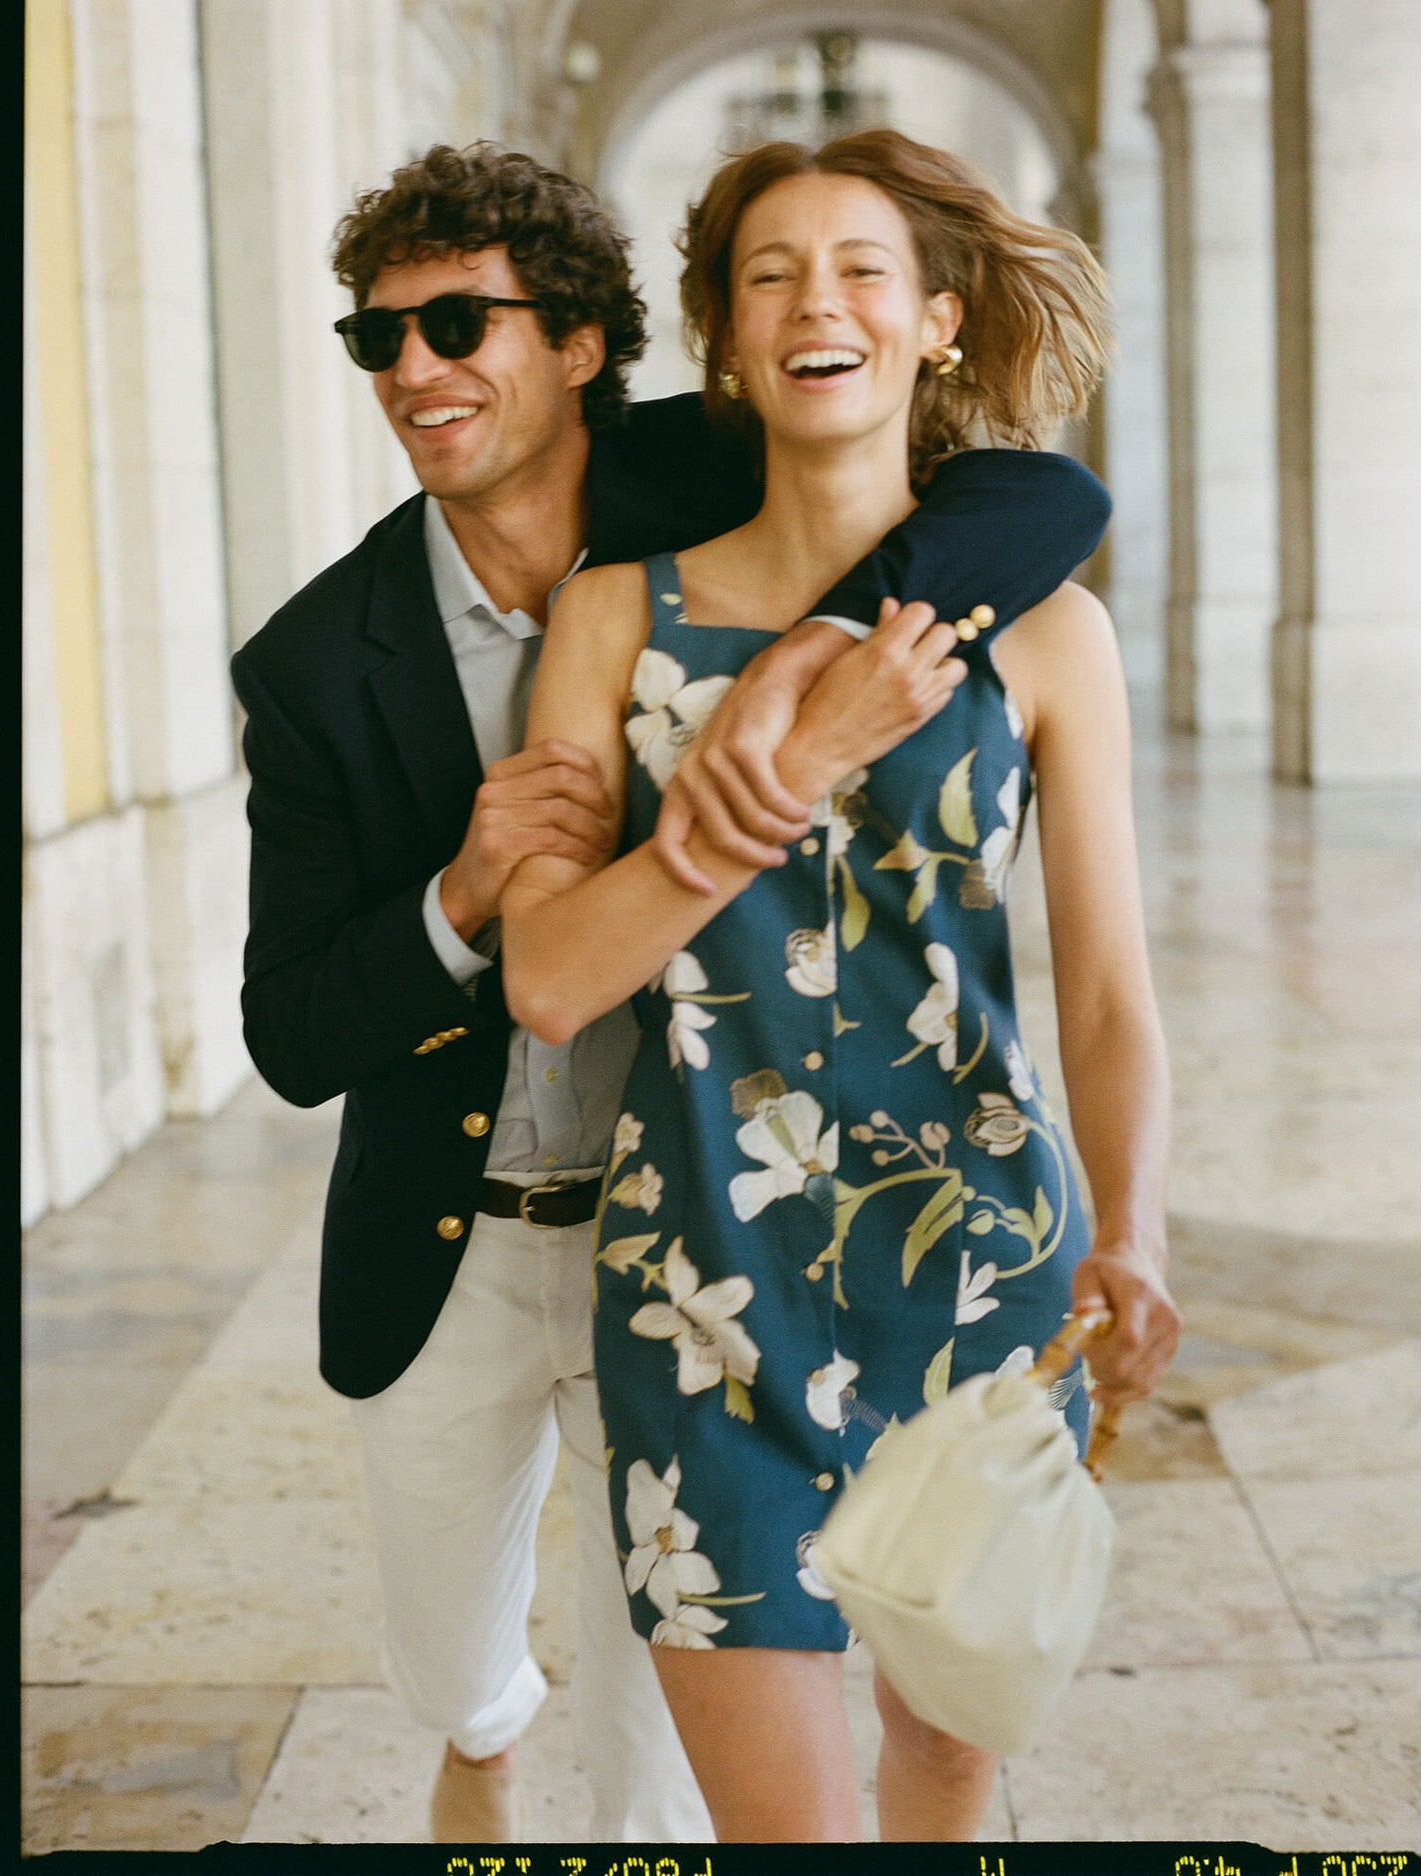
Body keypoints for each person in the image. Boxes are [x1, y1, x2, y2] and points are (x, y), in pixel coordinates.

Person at [231, 141, 1110, 1844]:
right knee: (452, 1656)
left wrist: (817, 658)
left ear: (580, 346)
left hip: (694, 1213)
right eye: (378, 338)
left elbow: (1039, 499)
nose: (414, 369)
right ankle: (483, 1730)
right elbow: (290, 1033)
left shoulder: (705, 477)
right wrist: (461, 892)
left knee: (664, 1762)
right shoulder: (315, 661)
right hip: (460, 1228)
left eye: (458, 324)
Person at [500, 130, 1181, 1844]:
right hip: (703, 1286)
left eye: (864, 269)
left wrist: (1138, 1227)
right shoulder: (612, 618)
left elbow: (1106, 990)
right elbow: (553, 981)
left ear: (937, 321)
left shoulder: (1050, 635)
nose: (820, 303)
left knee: (946, 1773)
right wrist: (786, 773)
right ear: (727, 339)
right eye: (772, 275)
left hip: (983, 1271)